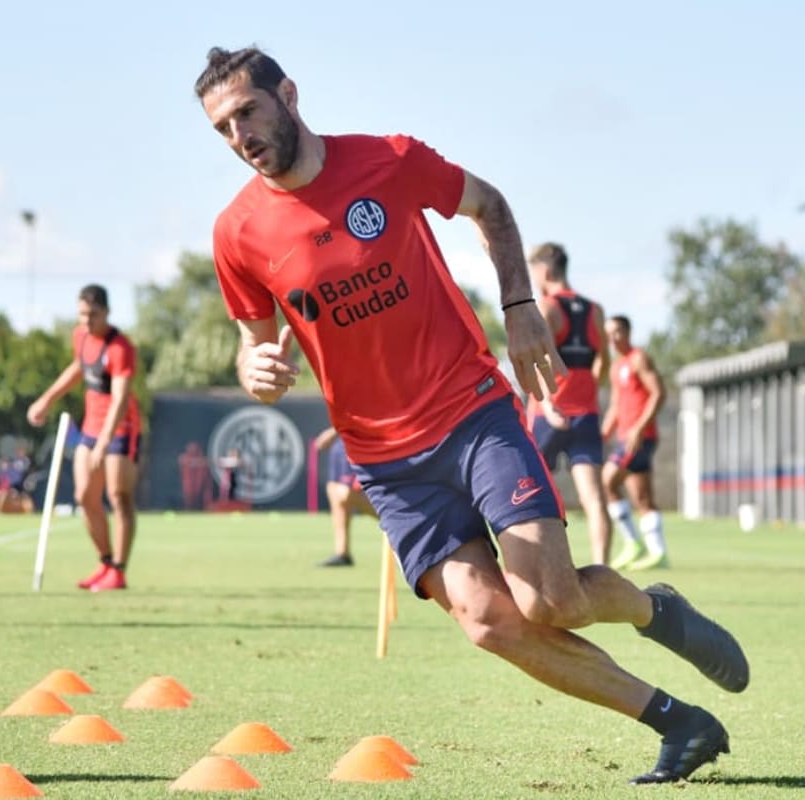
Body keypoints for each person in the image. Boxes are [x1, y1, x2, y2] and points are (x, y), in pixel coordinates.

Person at [196, 45, 746, 784]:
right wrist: (255, 371)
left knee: (549, 600)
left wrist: (520, 306)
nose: (240, 138)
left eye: (247, 113)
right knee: (490, 621)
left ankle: (654, 609)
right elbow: (253, 343)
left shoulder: (388, 160)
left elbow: (490, 206)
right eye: (223, 129)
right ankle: (679, 724)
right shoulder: (236, 234)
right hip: (387, 464)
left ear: (288, 94)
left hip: (471, 415)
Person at [27, 284, 143, 592]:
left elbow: (120, 398)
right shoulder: (80, 336)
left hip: (120, 430)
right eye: (81, 315)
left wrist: (105, 442)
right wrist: (47, 399)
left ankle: (119, 569)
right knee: (84, 497)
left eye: (92, 315)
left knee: (119, 497)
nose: (86, 321)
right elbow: (79, 367)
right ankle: (104, 561)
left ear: (106, 312)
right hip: (90, 428)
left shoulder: (120, 348)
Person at [526, 243, 612, 565]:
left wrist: (547, 403)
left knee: (531, 494)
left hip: (551, 416)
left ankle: (540, 564)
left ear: (545, 271)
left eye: (533, 271)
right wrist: (589, 389)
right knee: (594, 499)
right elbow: (602, 359)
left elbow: (537, 360)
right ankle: (603, 568)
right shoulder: (595, 310)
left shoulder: (547, 307)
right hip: (586, 416)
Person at [601, 315, 669, 571]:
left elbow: (659, 393)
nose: (612, 338)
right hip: (625, 437)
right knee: (642, 497)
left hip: (640, 437)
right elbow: (616, 404)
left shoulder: (639, 358)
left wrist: (639, 428)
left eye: (617, 332)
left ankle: (633, 543)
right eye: (608, 334)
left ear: (628, 332)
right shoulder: (617, 366)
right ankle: (658, 553)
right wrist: (605, 431)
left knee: (608, 480)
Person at [313, 426, 375, 567]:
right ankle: (342, 552)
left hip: (359, 437)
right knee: (334, 489)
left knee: (347, 493)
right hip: (343, 438)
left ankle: (397, 522)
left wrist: (333, 431)